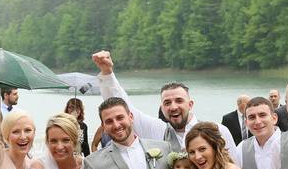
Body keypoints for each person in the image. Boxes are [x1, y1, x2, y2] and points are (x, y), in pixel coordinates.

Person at [93, 50, 235, 152]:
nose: (173, 107)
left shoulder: (218, 131)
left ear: (190, 104)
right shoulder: (156, 130)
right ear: (161, 108)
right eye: (167, 103)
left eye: (179, 101)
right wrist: (107, 72)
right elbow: (123, 106)